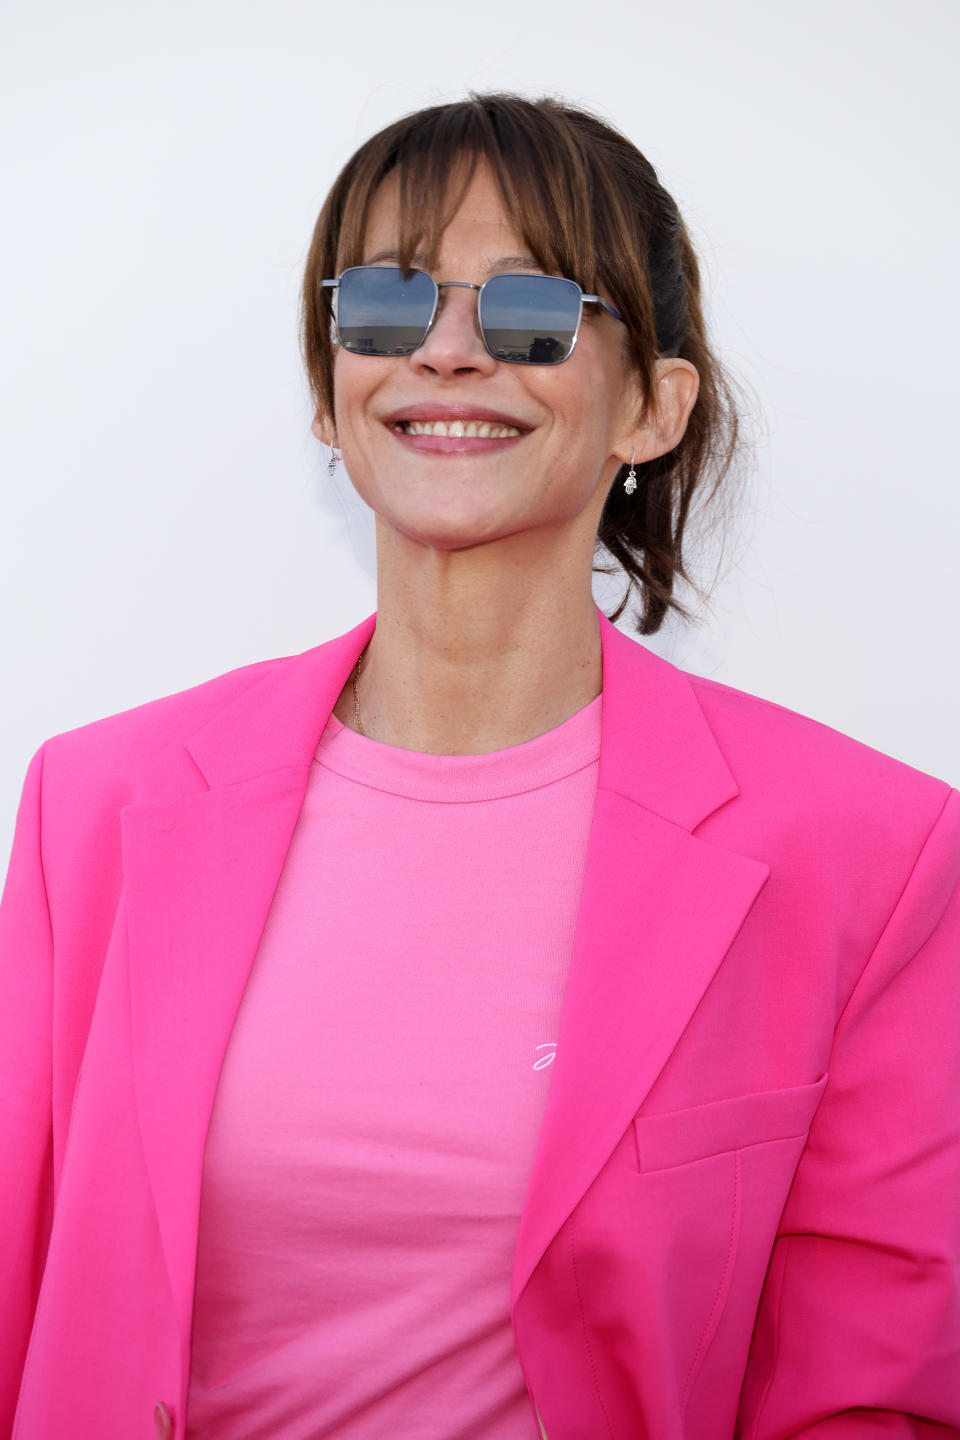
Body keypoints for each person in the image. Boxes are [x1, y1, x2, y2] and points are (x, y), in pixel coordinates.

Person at [1, 92, 957, 1440]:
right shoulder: (97, 805)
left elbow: (873, 1392)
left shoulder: (868, 853)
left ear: (652, 407)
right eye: (386, 306)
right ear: (333, 392)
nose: (446, 354)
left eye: (529, 315)